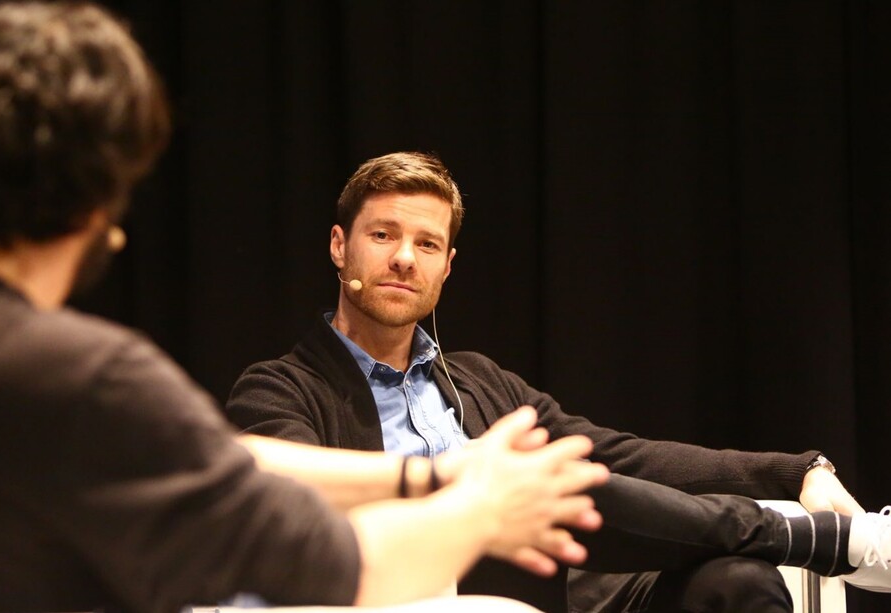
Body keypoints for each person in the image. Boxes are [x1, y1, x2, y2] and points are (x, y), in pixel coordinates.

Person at [0, 6, 610, 613]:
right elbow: (346, 569)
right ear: (98, 202)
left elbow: (214, 460)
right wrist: (484, 507)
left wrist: (427, 471)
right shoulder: (79, 377)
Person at [225, 151, 891, 612]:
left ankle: (794, 535)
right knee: (548, 484)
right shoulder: (277, 389)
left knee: (734, 584)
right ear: (340, 246)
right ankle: (815, 540)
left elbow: (621, 456)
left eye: (426, 244)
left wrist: (795, 468)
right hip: (411, 588)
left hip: (547, 593)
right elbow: (299, 511)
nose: (404, 257)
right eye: (383, 234)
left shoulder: (481, 381)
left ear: (447, 266)